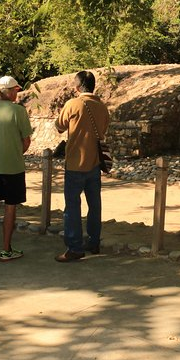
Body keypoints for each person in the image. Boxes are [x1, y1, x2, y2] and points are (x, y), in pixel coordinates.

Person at [54, 70, 111, 262]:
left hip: (75, 163)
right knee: (95, 205)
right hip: (95, 163)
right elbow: (103, 130)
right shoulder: (102, 107)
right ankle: (94, 241)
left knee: (72, 207)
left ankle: (74, 247)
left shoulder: (73, 104)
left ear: (77, 87)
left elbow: (60, 126)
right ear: (93, 86)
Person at [0, 76, 33, 262]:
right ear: (9, 91)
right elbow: (26, 141)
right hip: (13, 167)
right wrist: (17, 151)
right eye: (15, 90)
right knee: (10, 207)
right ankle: (6, 249)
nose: (17, 93)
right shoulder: (18, 111)